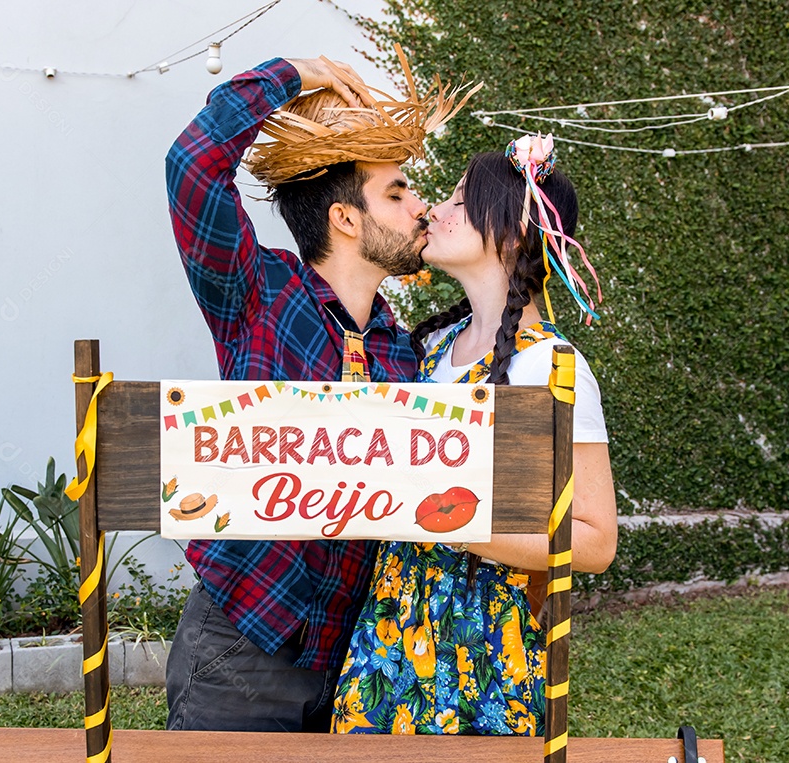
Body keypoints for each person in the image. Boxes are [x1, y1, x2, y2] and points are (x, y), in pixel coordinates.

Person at [164, 52, 478, 732]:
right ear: (344, 219)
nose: (419, 206)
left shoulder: (405, 352)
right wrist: (294, 73)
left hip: (356, 664)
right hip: (241, 651)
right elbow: (191, 165)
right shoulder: (259, 293)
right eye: (396, 193)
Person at [332, 134, 618, 735]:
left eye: (461, 202)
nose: (436, 210)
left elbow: (595, 541)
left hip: (486, 637)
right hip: (393, 617)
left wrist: (459, 528)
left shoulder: (554, 367)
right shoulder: (429, 351)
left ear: (512, 234)